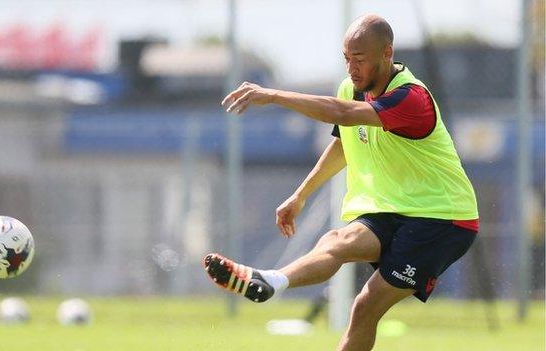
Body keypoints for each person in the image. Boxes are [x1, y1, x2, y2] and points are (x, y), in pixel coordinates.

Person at [203, 14, 479, 351]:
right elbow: (345, 143)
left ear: (387, 53)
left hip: (442, 219)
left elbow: (343, 114)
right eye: (346, 58)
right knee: (338, 239)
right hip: (393, 208)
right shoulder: (352, 88)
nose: (351, 69)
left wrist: (273, 95)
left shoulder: (411, 99)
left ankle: (274, 282)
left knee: (365, 306)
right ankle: (272, 281)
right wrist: (300, 195)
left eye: (359, 59)